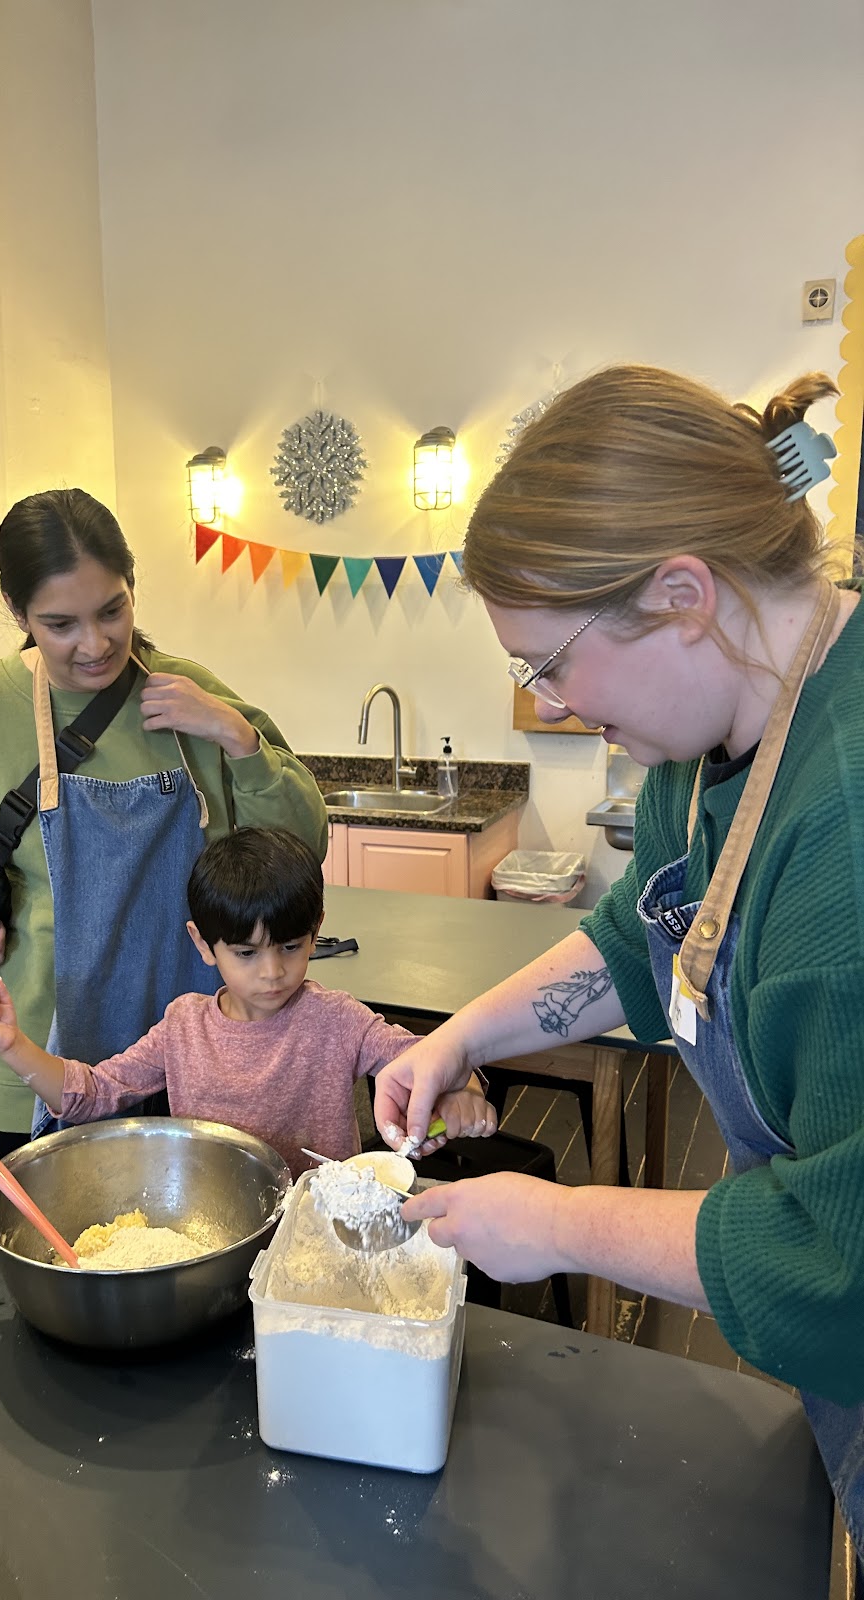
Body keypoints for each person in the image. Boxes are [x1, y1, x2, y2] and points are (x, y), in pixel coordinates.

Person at [373, 363, 864, 1551]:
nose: (552, 700)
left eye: (551, 663)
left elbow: (836, 1264)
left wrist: (557, 1222)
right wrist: (461, 1036)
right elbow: (646, 943)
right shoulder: (703, 750)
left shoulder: (844, 828)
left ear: (684, 593)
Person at [0, 490, 328, 1156]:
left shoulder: (188, 695)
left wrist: (238, 737)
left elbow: (303, 849)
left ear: (132, 589)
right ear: (18, 612)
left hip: (202, 1068)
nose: (95, 645)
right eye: (60, 624)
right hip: (38, 1071)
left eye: (112, 610)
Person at [0, 827, 496, 1175]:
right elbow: (91, 1093)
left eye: (291, 947)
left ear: (316, 932)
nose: (272, 972)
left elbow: (428, 1056)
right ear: (203, 944)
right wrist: (12, 1045)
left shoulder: (337, 1020)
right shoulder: (182, 1028)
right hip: (212, 1230)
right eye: (246, 952)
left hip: (315, 1229)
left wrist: (465, 1087)